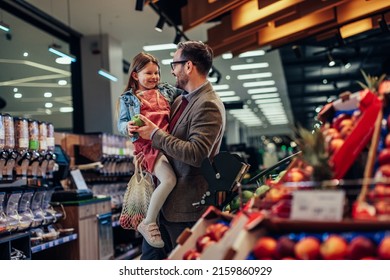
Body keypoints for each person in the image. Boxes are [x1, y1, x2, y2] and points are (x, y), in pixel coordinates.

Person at [129, 41, 226, 259]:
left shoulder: (208, 104)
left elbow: (197, 154)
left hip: (184, 210)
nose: (172, 71)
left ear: (188, 66)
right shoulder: (180, 100)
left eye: (174, 64)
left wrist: (154, 134)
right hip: (162, 208)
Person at [117, 52, 182, 248]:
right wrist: (127, 127)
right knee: (169, 179)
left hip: (167, 143)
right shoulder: (129, 99)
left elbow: (186, 96)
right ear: (136, 75)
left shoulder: (166, 91)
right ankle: (148, 222)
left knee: (167, 182)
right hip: (148, 147)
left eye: (157, 73)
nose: (154, 77)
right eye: (148, 73)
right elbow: (121, 124)